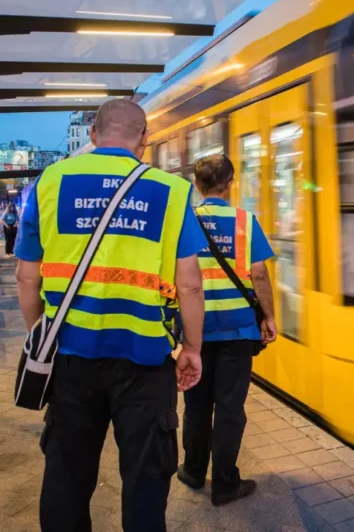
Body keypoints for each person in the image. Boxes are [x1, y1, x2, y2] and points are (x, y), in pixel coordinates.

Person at [14, 99, 208, 532]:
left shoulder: (50, 181)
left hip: (70, 357)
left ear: (93, 136)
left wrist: (40, 336)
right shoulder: (172, 191)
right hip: (145, 359)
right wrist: (192, 348)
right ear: (144, 140)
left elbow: (27, 278)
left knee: (66, 470)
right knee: (146, 477)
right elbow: (191, 283)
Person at [176, 154, 277, 506]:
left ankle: (191, 470)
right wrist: (269, 316)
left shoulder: (183, 221)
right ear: (230, 183)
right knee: (230, 408)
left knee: (196, 404)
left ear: (197, 185)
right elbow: (259, 274)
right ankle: (225, 484)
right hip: (237, 332)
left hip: (197, 332)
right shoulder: (244, 222)